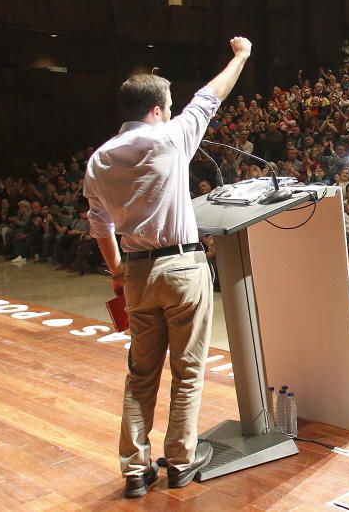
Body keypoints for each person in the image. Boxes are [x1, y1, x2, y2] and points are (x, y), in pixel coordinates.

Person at [83, 36, 253, 498]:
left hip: (136, 273)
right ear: (158, 109)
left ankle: (136, 469)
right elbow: (211, 97)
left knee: (141, 374)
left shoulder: (98, 161)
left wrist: (118, 272)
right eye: (170, 105)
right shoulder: (171, 138)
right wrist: (240, 55)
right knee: (188, 370)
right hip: (182, 267)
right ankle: (179, 461)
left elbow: (100, 227)